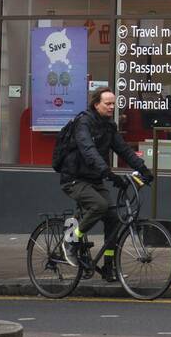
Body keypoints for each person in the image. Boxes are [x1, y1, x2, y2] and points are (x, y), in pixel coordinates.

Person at [58, 87, 153, 282]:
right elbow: (88, 150)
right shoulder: (83, 123)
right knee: (99, 206)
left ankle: (109, 266)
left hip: (94, 178)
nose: (112, 107)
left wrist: (144, 170)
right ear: (96, 104)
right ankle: (70, 240)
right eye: (107, 103)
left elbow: (124, 150)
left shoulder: (109, 126)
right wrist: (108, 173)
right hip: (74, 178)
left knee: (114, 218)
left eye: (113, 103)